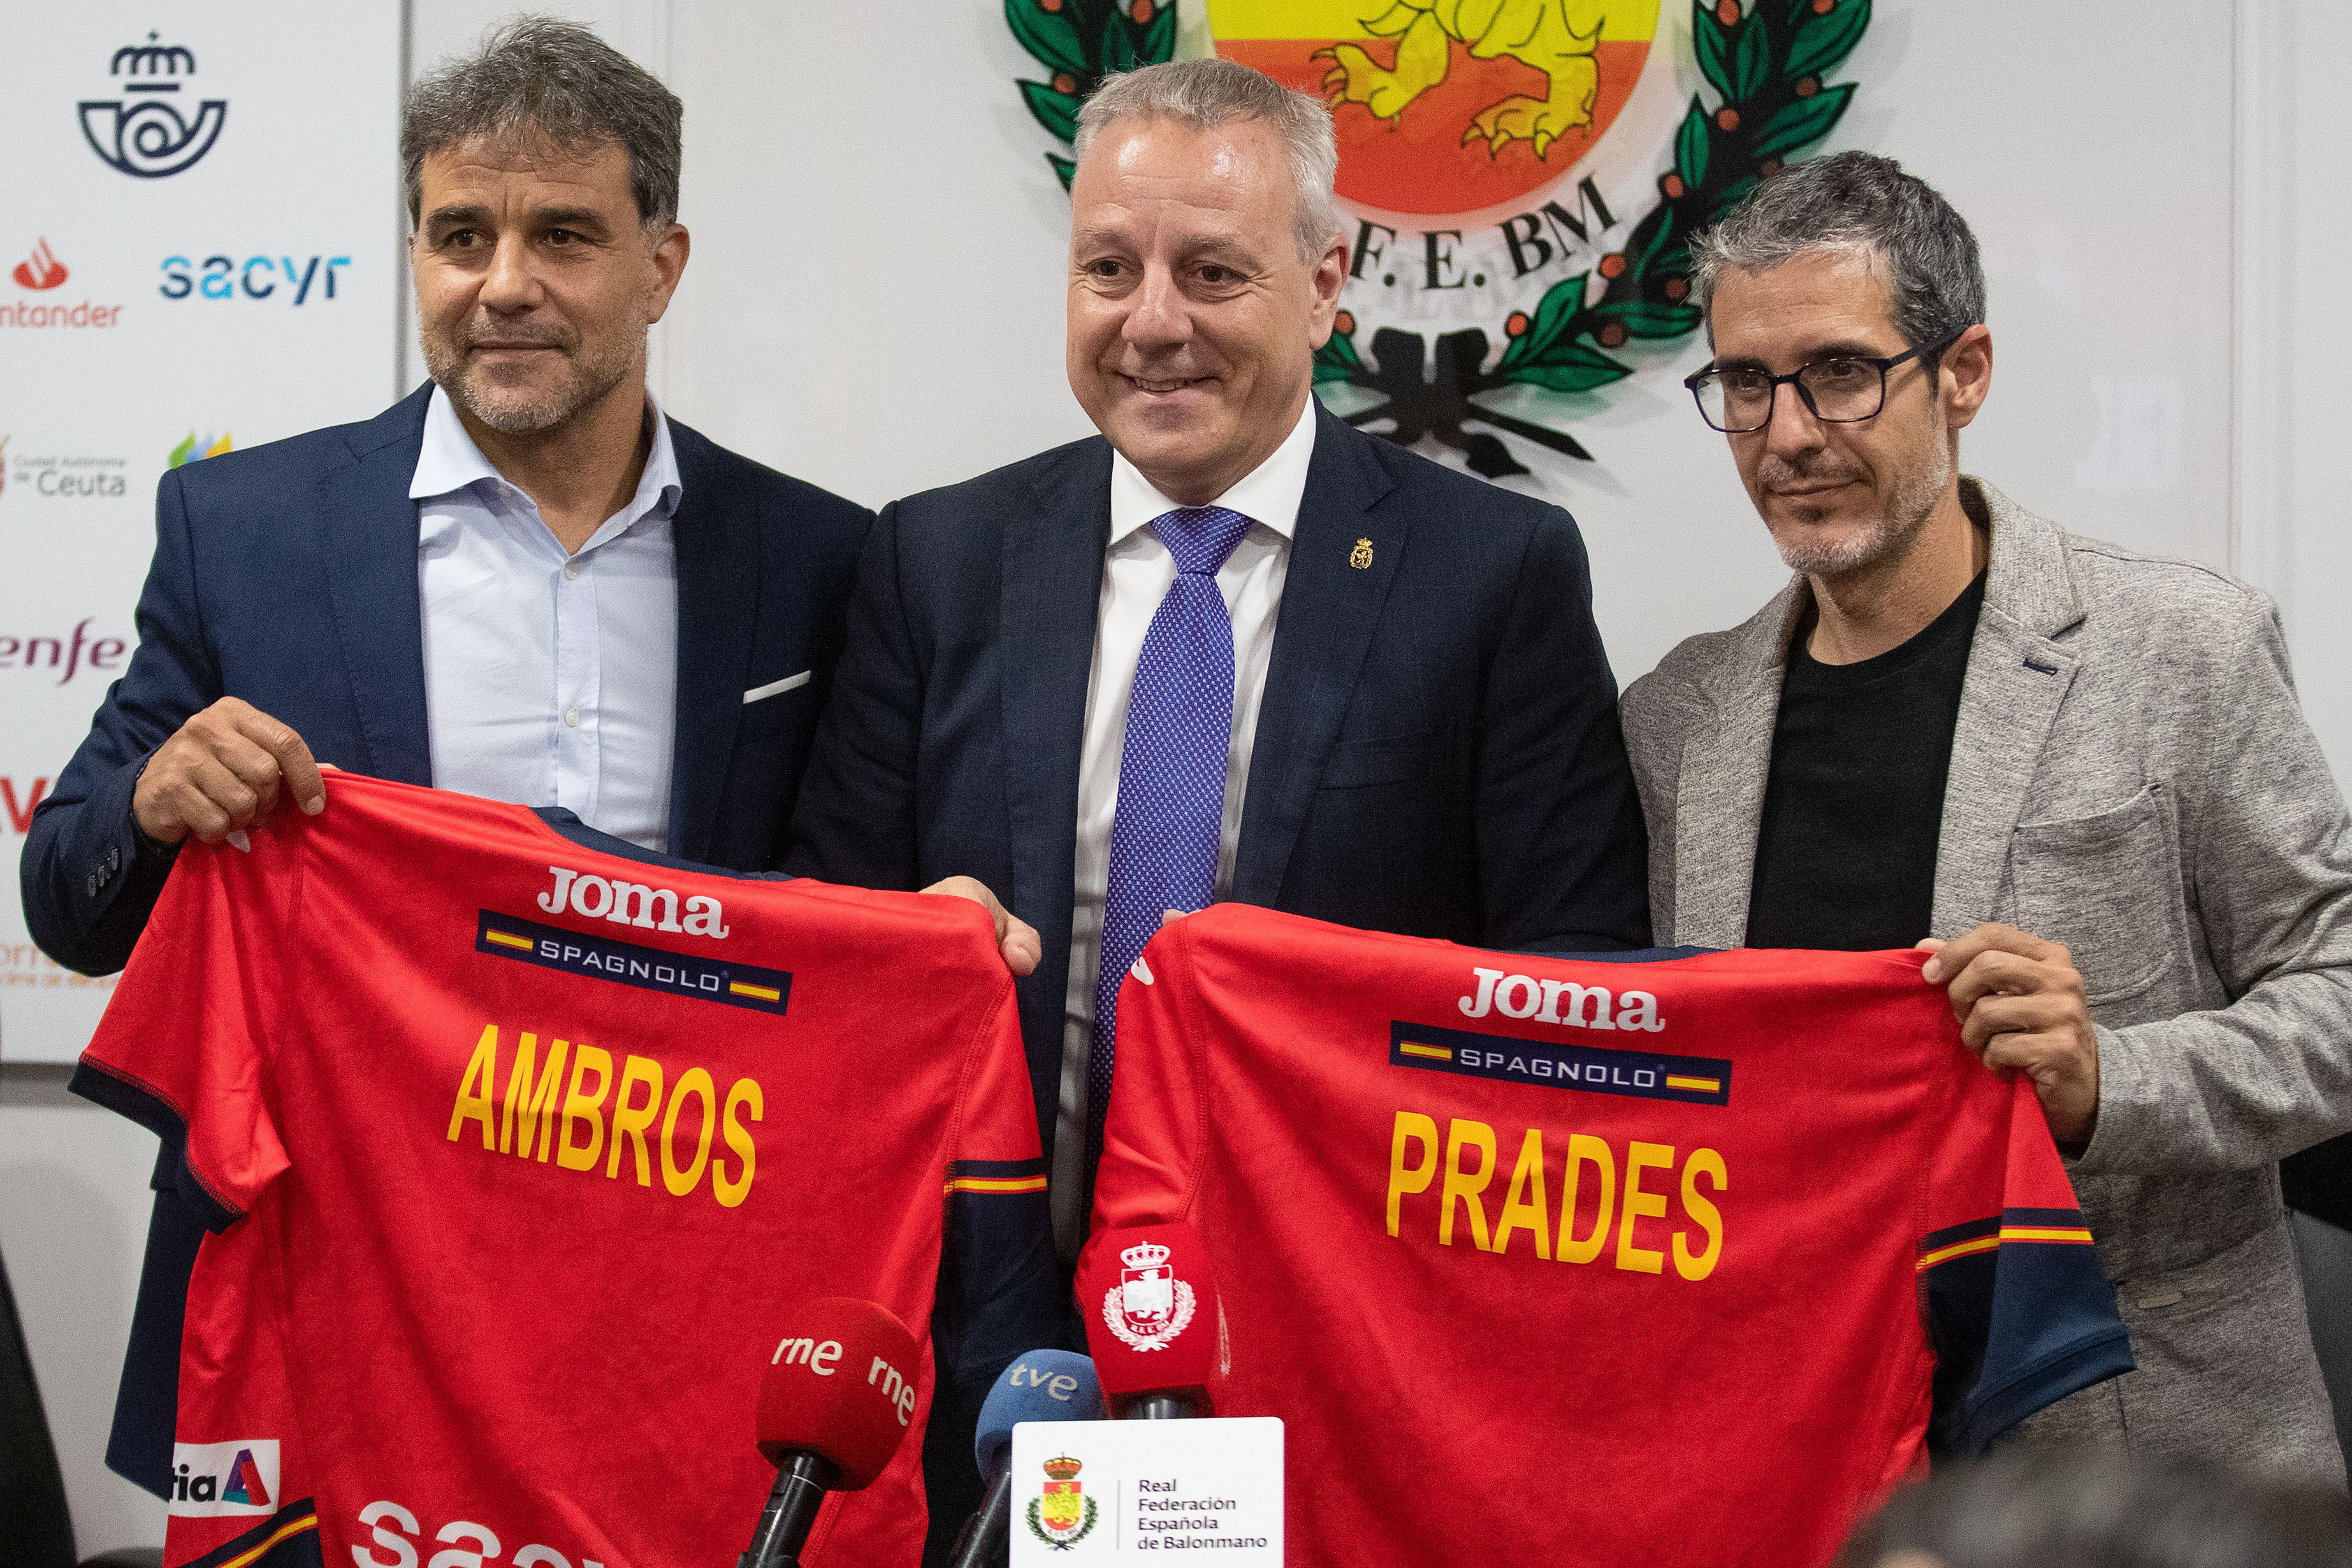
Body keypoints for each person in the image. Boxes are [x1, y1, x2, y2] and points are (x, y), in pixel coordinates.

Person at [17, 16, 1030, 1504]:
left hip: (674, 1307)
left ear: (663, 263)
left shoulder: (819, 556)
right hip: (324, 1297)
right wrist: (154, 807)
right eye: (461, 235)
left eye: (563, 234)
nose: (505, 286)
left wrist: (928, 925)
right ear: (415, 251)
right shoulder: (246, 532)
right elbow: (66, 906)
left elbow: (840, 900)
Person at [788, 55, 1650, 1259]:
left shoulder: (1493, 574)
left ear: (1322, 285)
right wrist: (909, 948)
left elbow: (1576, 985)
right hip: (981, 1295)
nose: (1151, 324)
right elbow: (822, 933)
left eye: (1211, 273)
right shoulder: (935, 557)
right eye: (1107, 269)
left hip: (1344, 1301)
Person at [1620, 150, 2352, 1482]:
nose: (1787, 433)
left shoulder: (2182, 646)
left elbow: (2341, 996)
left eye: (1840, 372)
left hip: (2143, 1456)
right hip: (1801, 1442)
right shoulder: (1679, 719)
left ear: (1963, 374)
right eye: (1742, 382)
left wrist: (2103, 1082)